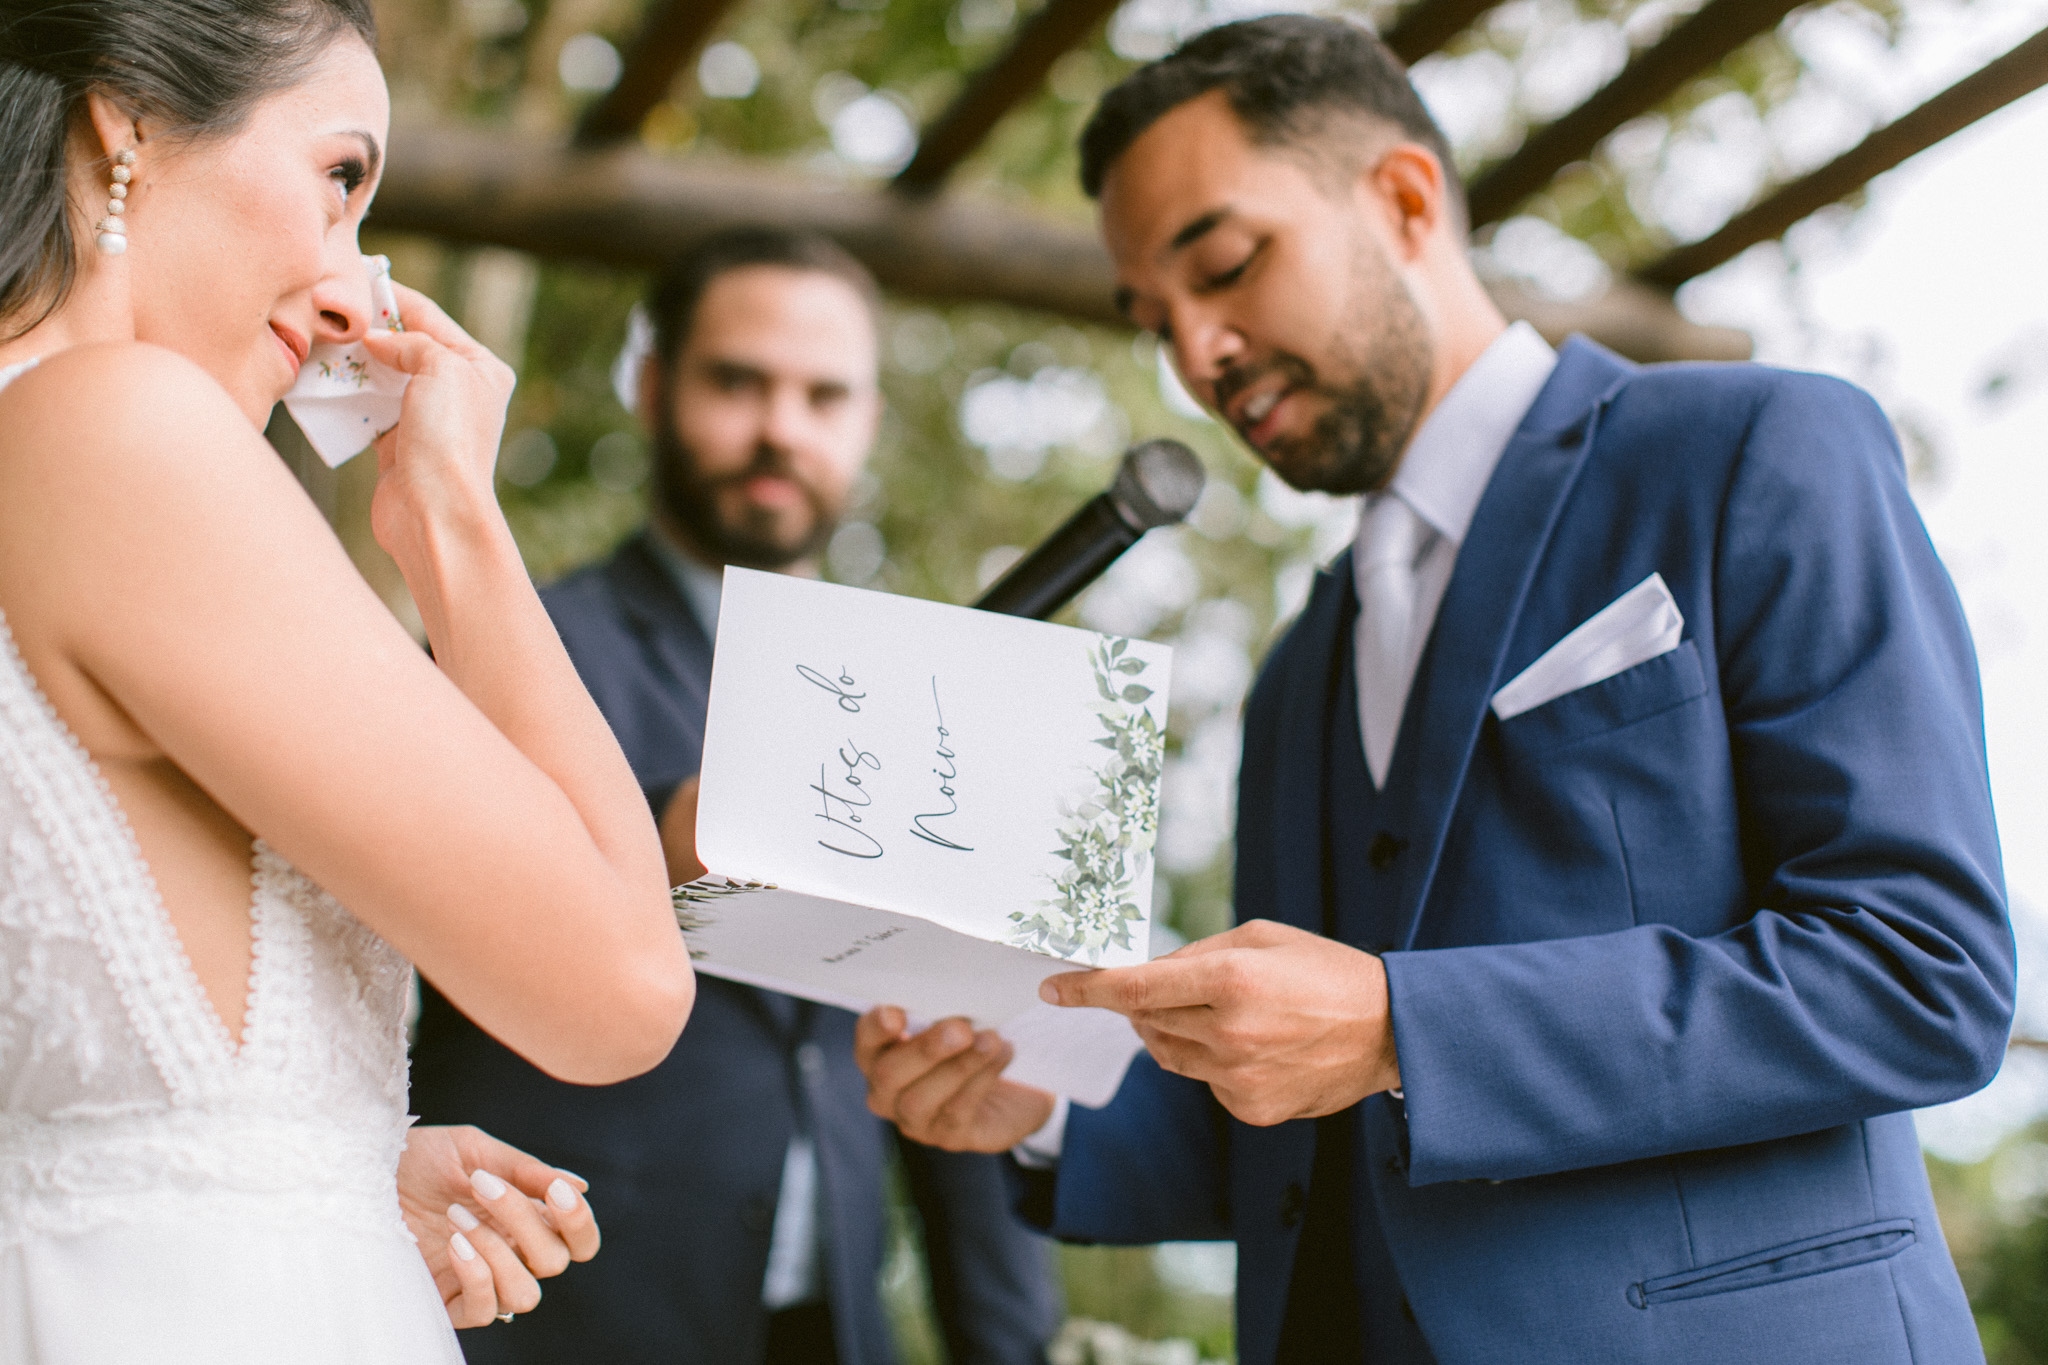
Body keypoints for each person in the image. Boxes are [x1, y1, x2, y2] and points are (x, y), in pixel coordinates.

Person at [855, 16, 2014, 1365]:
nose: (1200, 353)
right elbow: (1319, 1128)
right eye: (1158, 321)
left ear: (1405, 199)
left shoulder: (1755, 447)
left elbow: (1918, 970)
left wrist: (1405, 1026)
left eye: (1225, 266)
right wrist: (1042, 1105)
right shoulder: (1299, 670)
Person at [0, 1, 696, 1359]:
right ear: (125, 123)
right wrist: (451, 514)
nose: (349, 283)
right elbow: (622, 986)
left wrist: (322, 1166)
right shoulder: (121, 428)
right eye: (338, 178)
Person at [409, 226, 1065, 1365]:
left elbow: (961, 1032)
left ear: (865, 419)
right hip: (563, 1314)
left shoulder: (930, 699)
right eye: (737, 381)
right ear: (654, 386)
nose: (781, 428)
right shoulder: (514, 645)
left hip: (835, 1324)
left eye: (824, 395)